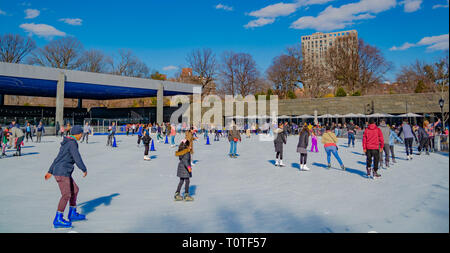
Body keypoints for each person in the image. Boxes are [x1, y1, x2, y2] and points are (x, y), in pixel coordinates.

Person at [45, 125, 87, 229]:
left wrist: (50, 171)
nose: (81, 135)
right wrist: (84, 169)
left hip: (63, 171)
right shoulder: (72, 143)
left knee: (75, 190)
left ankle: (72, 213)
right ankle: (58, 218)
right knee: (66, 195)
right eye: (81, 133)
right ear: (77, 134)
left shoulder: (67, 142)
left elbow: (57, 157)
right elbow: (77, 157)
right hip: (62, 172)